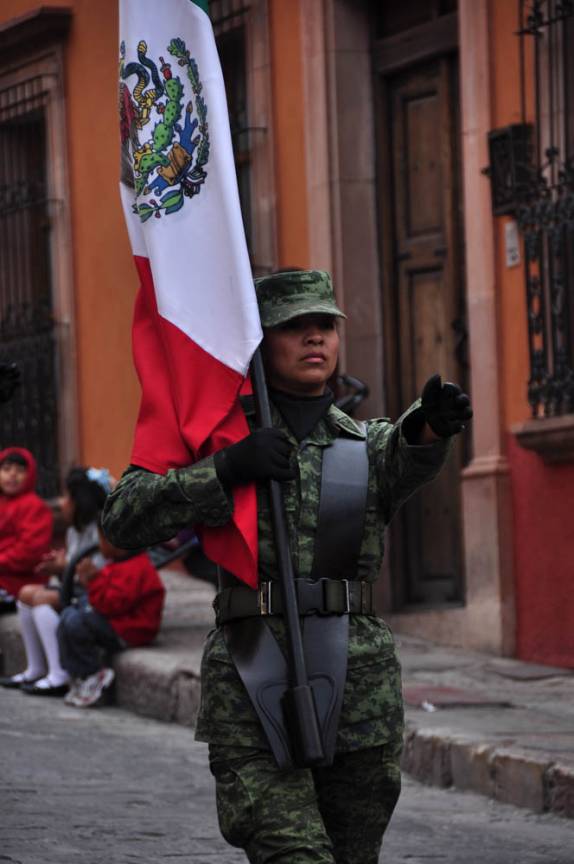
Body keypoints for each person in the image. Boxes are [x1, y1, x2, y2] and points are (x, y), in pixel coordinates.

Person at [102, 269, 472, 864]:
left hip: (358, 693)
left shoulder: (363, 445)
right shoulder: (218, 440)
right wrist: (223, 469)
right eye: (294, 327)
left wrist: (430, 424)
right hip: (253, 681)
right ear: (259, 343)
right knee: (292, 853)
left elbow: (404, 451)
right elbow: (122, 520)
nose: (313, 339)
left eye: (324, 325)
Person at [0, 466, 110, 695]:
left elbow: (97, 571)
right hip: (77, 588)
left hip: (95, 594)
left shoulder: (98, 530)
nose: (61, 503)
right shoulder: (73, 531)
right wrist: (60, 565)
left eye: (66, 497)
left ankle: (60, 673)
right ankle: (36, 667)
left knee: (40, 598)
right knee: (25, 594)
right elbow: (72, 567)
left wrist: (66, 567)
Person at [58, 525, 165, 708]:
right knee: (69, 614)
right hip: (116, 622)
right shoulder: (117, 563)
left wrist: (93, 580)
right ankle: (79, 674)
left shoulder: (135, 568)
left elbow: (111, 605)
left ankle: (93, 672)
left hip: (130, 630)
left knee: (77, 621)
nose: (99, 545)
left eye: (102, 540)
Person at [0, 448, 53, 612]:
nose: (12, 475)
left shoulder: (34, 506)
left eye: (20, 471)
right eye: (6, 469)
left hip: (19, 584)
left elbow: (29, 552)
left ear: (30, 475)